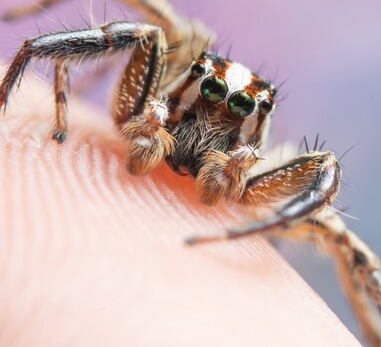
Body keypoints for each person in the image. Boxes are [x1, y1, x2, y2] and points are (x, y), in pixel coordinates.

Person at [0, 70, 361, 347]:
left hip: (245, 180)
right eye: (210, 92)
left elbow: (322, 178)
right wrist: (67, 103)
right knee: (148, 31)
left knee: (346, 243)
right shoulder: (148, 100)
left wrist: (270, 222)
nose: (214, 118)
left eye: (240, 108)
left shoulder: (259, 180)